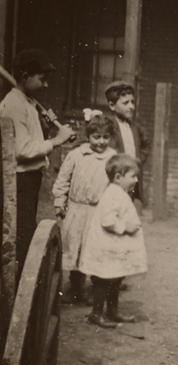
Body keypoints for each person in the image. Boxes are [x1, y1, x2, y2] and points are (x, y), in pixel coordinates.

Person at [0, 48, 74, 277]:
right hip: (19, 180)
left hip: (30, 179)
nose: (46, 84)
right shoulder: (14, 105)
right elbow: (22, 150)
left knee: (26, 230)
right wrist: (57, 140)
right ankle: (17, 285)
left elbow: (31, 139)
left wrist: (47, 128)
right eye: (42, 79)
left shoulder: (29, 103)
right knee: (21, 235)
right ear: (25, 76)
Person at [52, 111, 116, 305]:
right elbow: (63, 180)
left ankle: (95, 292)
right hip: (77, 210)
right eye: (96, 137)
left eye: (105, 137)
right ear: (88, 136)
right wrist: (59, 202)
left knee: (94, 251)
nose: (101, 142)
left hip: (98, 212)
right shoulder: (76, 155)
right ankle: (75, 288)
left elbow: (117, 186)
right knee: (75, 249)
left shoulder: (113, 158)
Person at [79, 153, 147, 328]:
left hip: (114, 246)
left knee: (116, 277)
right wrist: (125, 227)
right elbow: (108, 221)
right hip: (106, 246)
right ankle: (96, 313)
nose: (136, 180)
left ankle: (112, 311)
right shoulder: (112, 195)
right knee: (103, 279)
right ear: (118, 177)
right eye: (133, 176)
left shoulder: (119, 192)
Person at [104, 80, 150, 211]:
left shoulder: (134, 126)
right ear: (112, 105)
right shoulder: (108, 126)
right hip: (114, 180)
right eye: (125, 103)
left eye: (132, 102)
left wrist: (138, 161)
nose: (131, 107)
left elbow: (146, 144)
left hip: (130, 181)